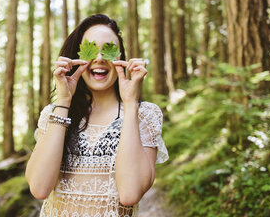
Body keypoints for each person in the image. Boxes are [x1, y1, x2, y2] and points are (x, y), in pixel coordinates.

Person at [25, 14, 168, 217]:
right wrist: (64, 101)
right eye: (90, 49)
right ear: (77, 57)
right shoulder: (54, 114)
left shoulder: (144, 115)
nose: (99, 58)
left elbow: (129, 193)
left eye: (109, 50)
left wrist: (130, 103)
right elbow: (39, 188)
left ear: (120, 59)